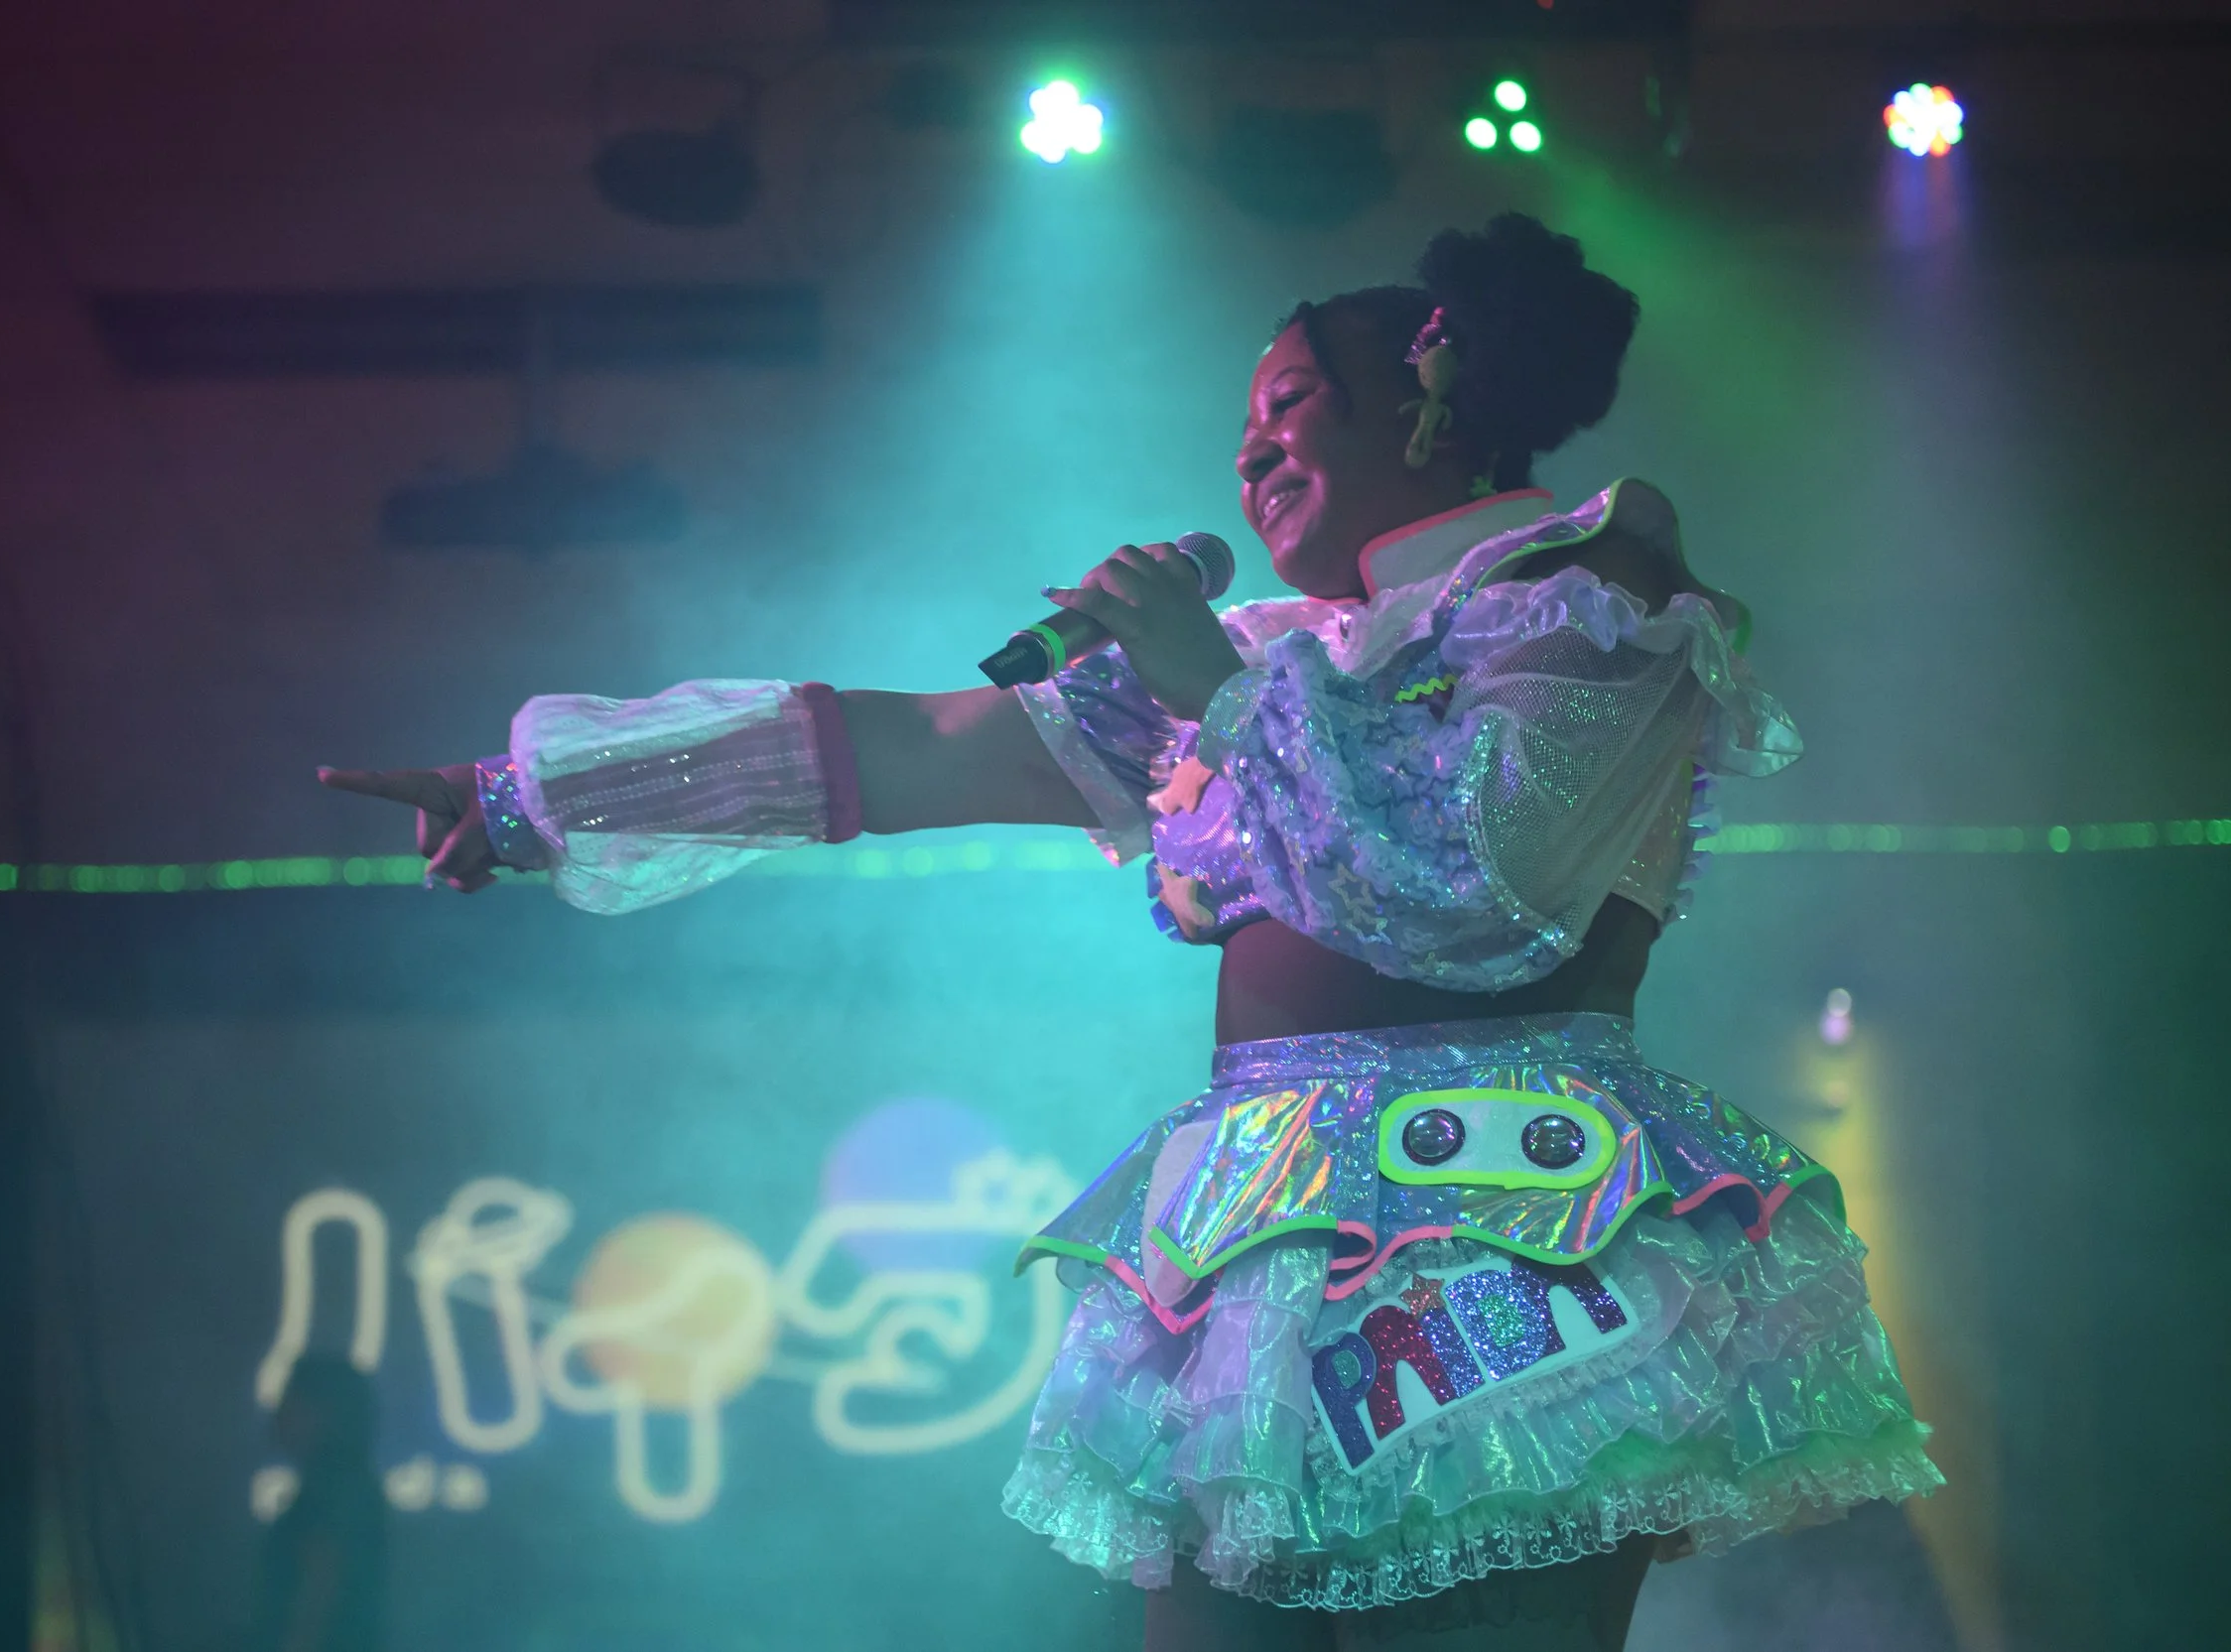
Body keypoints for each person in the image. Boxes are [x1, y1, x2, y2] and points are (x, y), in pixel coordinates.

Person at [322, 214, 1938, 1650]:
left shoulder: (1581, 590)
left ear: (1428, 390)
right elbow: (913, 752)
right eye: (1242, 425)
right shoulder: (1262, 655)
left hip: (1518, 1228)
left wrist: (1220, 690)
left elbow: (1484, 886)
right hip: (1267, 1230)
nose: (1249, 457)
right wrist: (538, 795)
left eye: (1290, 405)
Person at [255, 1353, 388, 1652]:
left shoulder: (336, 1493)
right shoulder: (347, 1488)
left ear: (326, 1414)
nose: (277, 1415)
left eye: (290, 1403)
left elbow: (317, 1594)